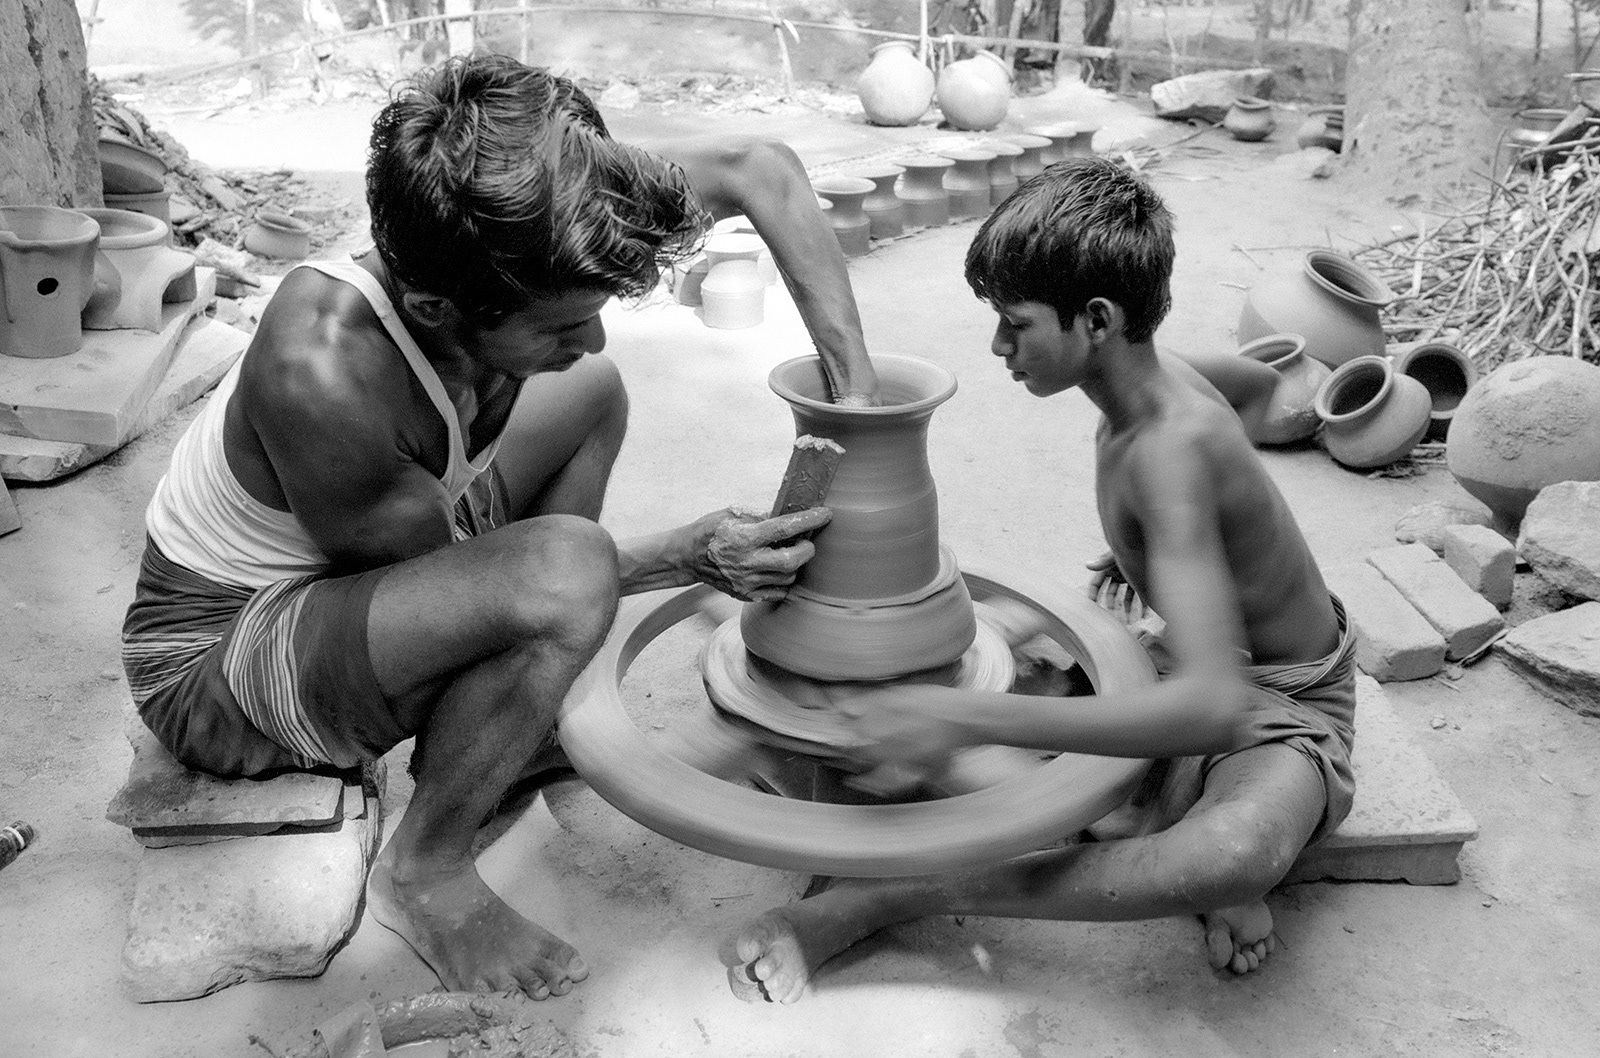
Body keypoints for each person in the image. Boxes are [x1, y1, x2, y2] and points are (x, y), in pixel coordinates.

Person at [120, 54, 881, 1003]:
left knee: (592, 396)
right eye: (560, 325)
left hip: (384, 557)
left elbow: (759, 166)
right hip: (215, 659)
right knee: (567, 579)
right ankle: (427, 869)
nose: (589, 336)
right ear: (438, 309)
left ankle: (518, 715)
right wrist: (685, 555)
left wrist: (852, 398)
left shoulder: (522, 213)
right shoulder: (322, 369)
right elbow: (476, 576)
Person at [723, 156, 1356, 1004]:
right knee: (907, 700)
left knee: (1230, 855)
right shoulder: (1167, 388)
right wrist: (1174, 554)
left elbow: (1213, 707)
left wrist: (957, 715)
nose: (998, 346)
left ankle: (891, 898)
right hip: (1184, 661)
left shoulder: (1170, 451)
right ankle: (1152, 814)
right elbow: (1257, 384)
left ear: (1096, 319)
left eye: (1015, 324)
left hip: (1280, 706)